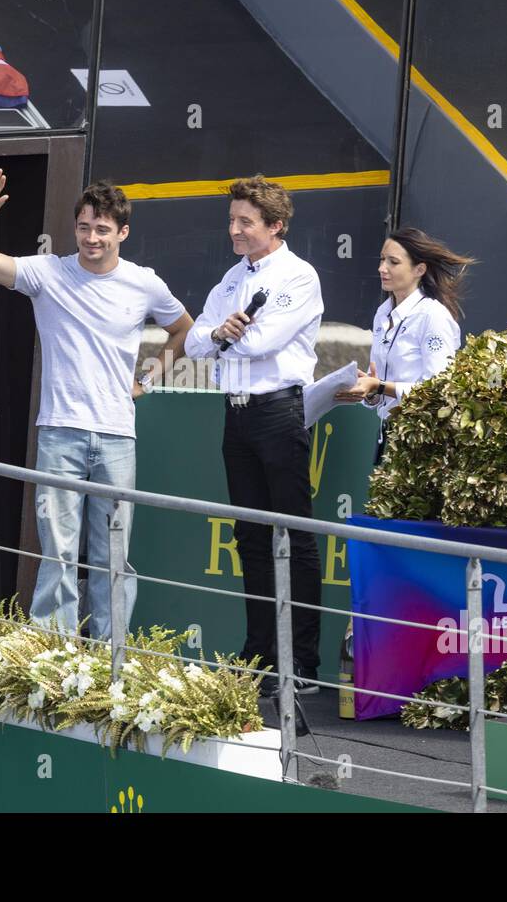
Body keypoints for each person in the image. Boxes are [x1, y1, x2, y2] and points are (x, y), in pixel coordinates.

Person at [0, 168, 193, 639]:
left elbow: (183, 330)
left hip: (116, 435)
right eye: (85, 227)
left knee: (113, 556)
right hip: (59, 433)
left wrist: (147, 381)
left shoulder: (144, 282)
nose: (92, 237)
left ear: (122, 233)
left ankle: (113, 663)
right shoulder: (48, 271)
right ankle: (56, 660)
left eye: (103, 229)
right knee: (58, 552)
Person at [184, 174, 324, 694]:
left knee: (294, 535)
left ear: (276, 225)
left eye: (245, 221)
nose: (235, 229)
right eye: (232, 220)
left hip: (279, 411)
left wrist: (225, 337)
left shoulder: (299, 275)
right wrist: (221, 332)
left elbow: (263, 340)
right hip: (236, 415)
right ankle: (260, 654)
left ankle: (301, 662)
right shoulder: (231, 278)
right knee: (250, 537)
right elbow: (198, 342)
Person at [334, 227, 469, 462]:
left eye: (393, 262)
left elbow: (438, 391)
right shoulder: (383, 312)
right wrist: (371, 392)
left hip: (423, 441)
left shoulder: (432, 315)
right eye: (382, 260)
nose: (382, 268)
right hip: (388, 433)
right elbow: (380, 386)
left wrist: (379, 386)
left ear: (420, 269)